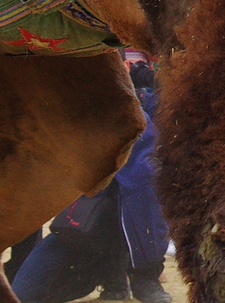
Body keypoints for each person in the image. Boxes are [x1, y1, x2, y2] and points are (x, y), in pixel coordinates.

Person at [13, 51, 169, 303]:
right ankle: (111, 276)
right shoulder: (74, 104)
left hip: (126, 238)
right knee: (24, 294)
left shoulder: (153, 105)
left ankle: (127, 276)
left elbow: (145, 189)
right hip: (79, 235)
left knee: (139, 183)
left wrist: (147, 272)